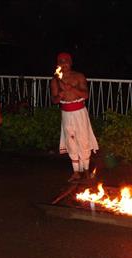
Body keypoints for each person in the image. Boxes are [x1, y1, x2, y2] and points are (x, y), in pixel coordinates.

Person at [51, 52, 99, 182]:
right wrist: (60, 95)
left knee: (83, 139)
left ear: (71, 62)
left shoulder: (79, 76)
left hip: (79, 113)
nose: (63, 63)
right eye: (61, 61)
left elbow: (86, 95)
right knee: (71, 141)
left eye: (66, 60)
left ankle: (86, 170)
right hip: (66, 114)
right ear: (58, 64)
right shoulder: (55, 80)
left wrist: (72, 89)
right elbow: (54, 100)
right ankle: (76, 171)